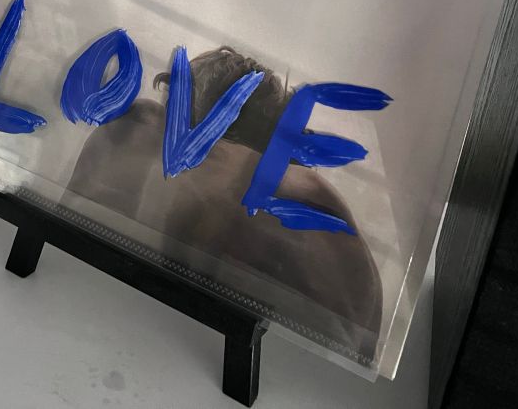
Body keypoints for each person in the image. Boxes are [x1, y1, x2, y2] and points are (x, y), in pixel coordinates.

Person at [64, 46, 383, 360]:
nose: (172, 164)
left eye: (198, 150)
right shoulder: (137, 142)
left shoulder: (296, 220)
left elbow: (336, 347)